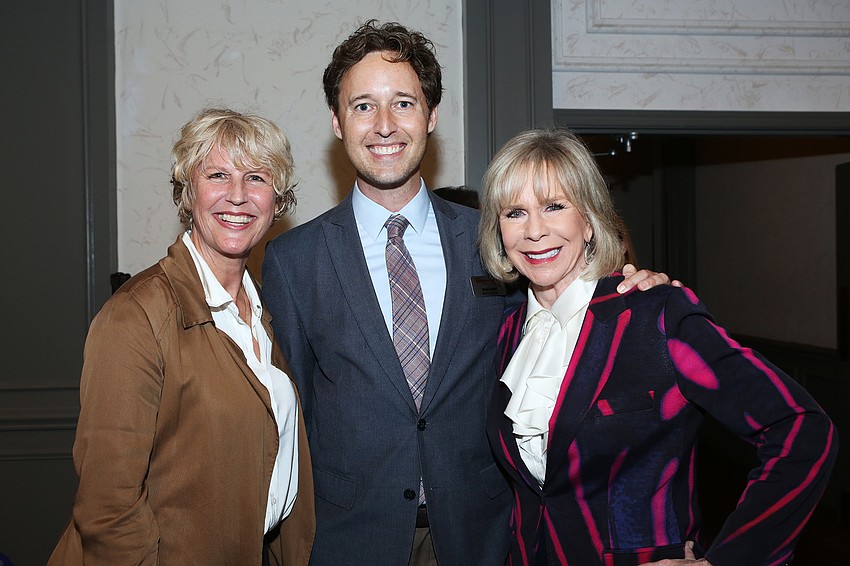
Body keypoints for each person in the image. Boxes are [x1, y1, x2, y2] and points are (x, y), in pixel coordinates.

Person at [261, 21, 671, 565]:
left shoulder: (495, 238)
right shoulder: (293, 260)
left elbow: (566, 316)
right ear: (337, 122)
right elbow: (295, 412)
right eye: (363, 106)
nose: (384, 125)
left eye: (403, 103)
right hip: (350, 538)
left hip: (483, 535)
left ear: (431, 115)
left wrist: (631, 289)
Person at [478, 127, 838, 565]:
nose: (534, 231)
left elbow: (801, 428)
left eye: (554, 206)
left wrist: (726, 561)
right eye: (515, 212)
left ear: (589, 220)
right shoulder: (506, 333)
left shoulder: (657, 315)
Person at [49, 108, 315, 564]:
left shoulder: (266, 310)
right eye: (217, 175)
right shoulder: (136, 316)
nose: (237, 196)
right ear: (188, 193)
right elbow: (107, 510)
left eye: (256, 177)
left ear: (278, 199)